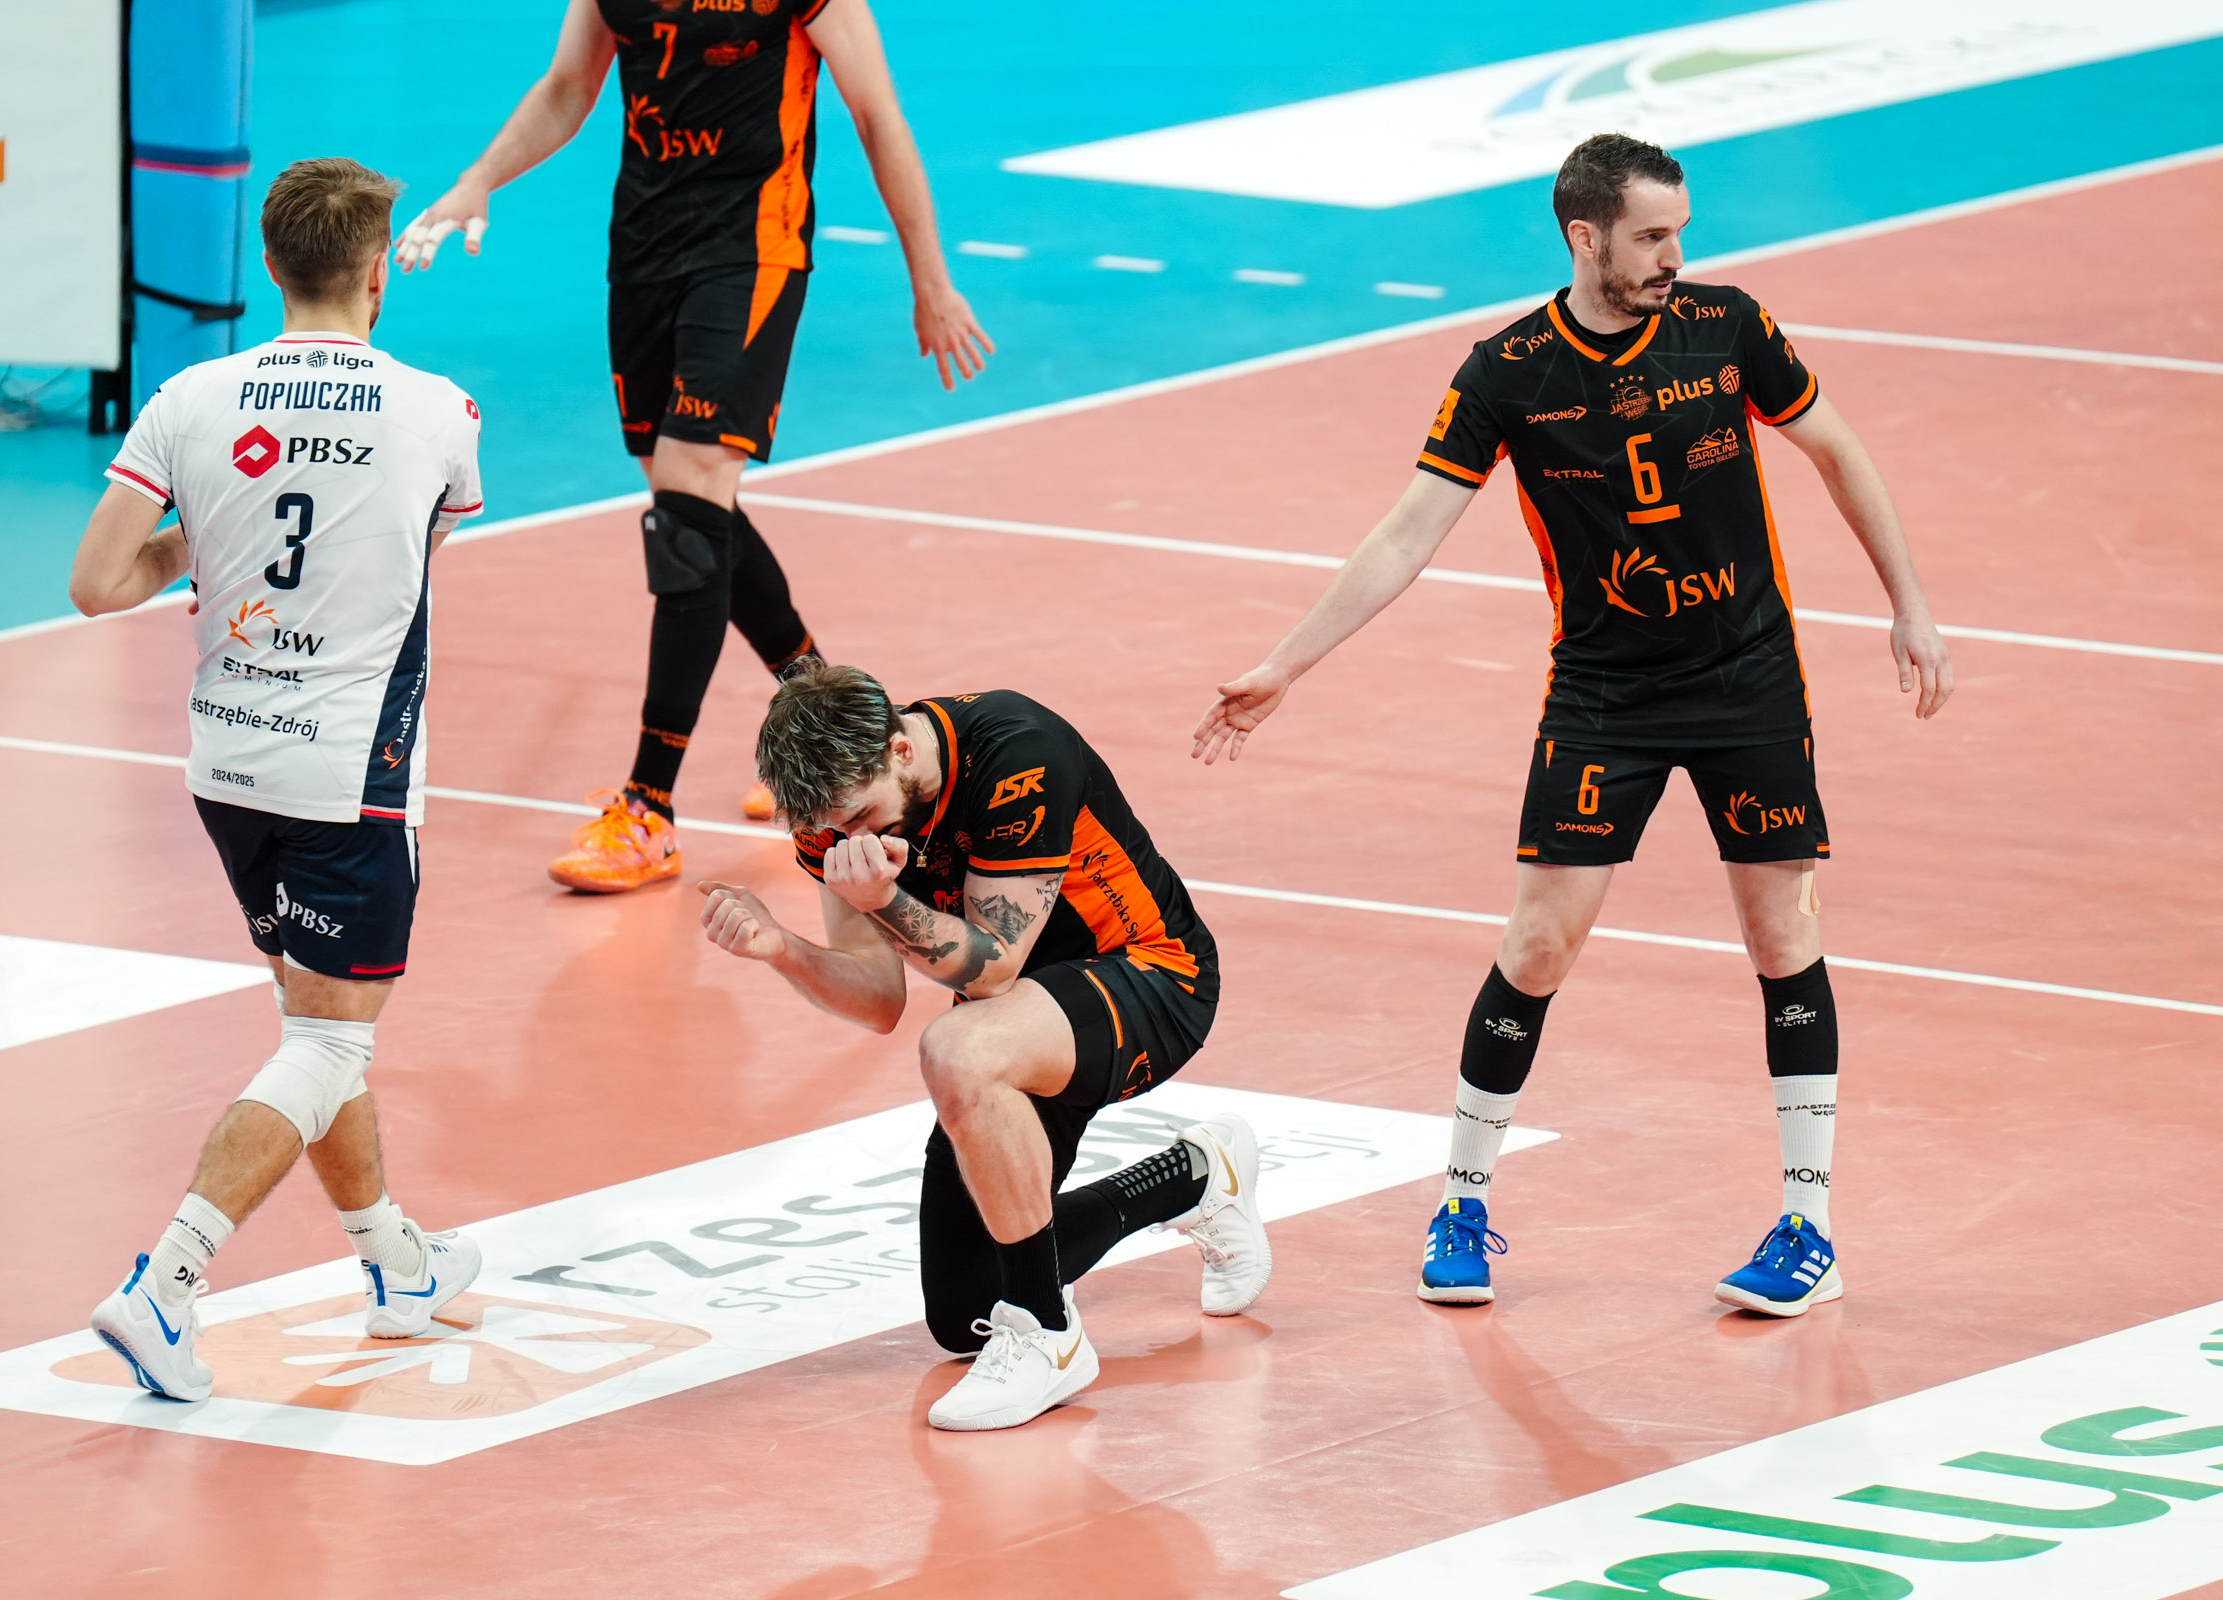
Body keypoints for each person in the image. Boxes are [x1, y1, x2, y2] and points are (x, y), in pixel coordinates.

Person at [1192, 132, 1955, 1319]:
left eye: (1680, 232)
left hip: (1749, 679)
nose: (1674, 255)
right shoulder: (1508, 373)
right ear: (1585, 237)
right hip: (1605, 693)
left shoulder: (1728, 327)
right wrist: (1288, 664)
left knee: (1781, 936)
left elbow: (1836, 449)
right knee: (1539, 943)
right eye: (1651, 236)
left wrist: (1909, 603)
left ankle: (1809, 1226)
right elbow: (1408, 532)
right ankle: (1461, 1205)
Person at [395, 0, 993, 894]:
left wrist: (930, 279)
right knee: (696, 511)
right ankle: (840, 731)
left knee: (686, 512)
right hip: (643, 251)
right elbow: (567, 87)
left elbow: (878, 116)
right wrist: (479, 179)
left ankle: (649, 808)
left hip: (752, 248)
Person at [71, 158, 486, 1400]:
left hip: (227, 765)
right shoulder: (440, 411)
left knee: (314, 1029)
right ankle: (165, 1286)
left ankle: (397, 1262)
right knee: (326, 1044)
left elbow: (98, 583)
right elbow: (416, 539)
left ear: (269, 266)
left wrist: (203, 540)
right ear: (375, 275)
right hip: (350, 775)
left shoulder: (190, 398)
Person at [697, 668, 1269, 1430]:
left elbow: (994, 965)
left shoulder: (1017, 758)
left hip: (1150, 976)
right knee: (964, 1306)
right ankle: (1193, 1179)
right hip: (1018, 1020)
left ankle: (1048, 1338)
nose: (851, 842)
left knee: (955, 1051)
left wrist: (884, 901)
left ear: (901, 751)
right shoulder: (835, 819)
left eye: (861, 818)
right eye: (834, 832)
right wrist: (781, 948)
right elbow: (878, 999)